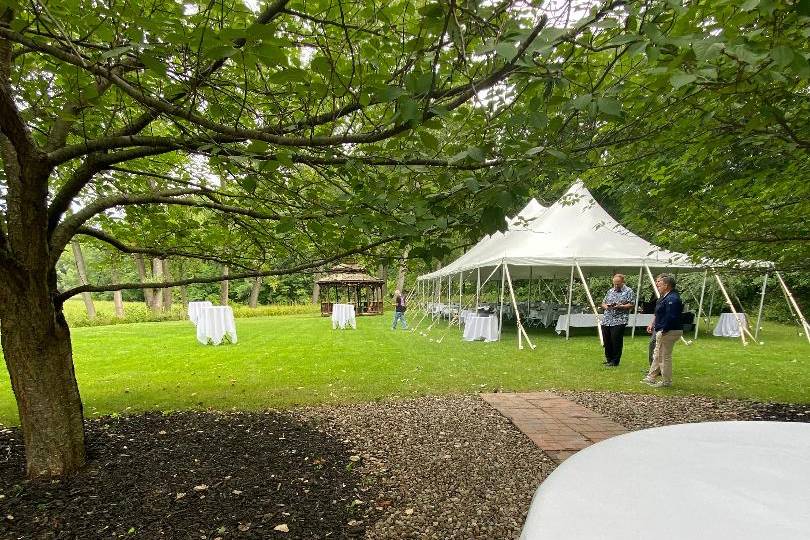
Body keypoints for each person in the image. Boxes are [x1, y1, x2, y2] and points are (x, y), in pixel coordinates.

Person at [643, 274, 683, 388]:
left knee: (664, 356)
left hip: (669, 330)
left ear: (667, 285)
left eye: (659, 283)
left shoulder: (672, 298)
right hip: (664, 329)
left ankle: (666, 381)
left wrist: (664, 329)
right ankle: (651, 377)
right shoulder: (665, 297)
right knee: (657, 354)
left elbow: (671, 316)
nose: (657, 285)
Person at [600, 274, 635, 366]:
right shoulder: (610, 291)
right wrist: (606, 307)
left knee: (616, 340)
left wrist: (621, 306)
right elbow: (603, 303)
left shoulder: (629, 291)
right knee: (607, 340)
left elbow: (632, 304)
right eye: (614, 284)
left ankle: (615, 361)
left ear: (623, 282)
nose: (616, 286)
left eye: (618, 284)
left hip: (620, 319)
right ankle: (609, 359)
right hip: (607, 319)